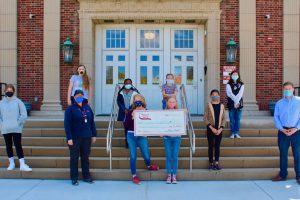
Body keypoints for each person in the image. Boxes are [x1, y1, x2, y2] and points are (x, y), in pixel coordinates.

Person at [124, 94, 159, 185]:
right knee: (133, 156)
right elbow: (125, 126)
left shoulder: (147, 111)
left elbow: (152, 124)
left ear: (143, 101)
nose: (138, 101)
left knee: (146, 155)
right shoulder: (130, 111)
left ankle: (149, 165)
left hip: (142, 136)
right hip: (131, 135)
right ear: (134, 102)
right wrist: (132, 117)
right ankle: (134, 176)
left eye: (140, 100)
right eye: (136, 100)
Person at [64, 89, 97, 186]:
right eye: (77, 95)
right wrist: (69, 138)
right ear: (74, 97)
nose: (79, 97)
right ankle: (74, 178)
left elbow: (92, 122)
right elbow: (67, 124)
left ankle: (86, 176)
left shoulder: (87, 107)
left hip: (86, 137)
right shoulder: (70, 109)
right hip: (75, 137)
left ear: (83, 97)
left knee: (85, 157)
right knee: (74, 158)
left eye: (81, 95)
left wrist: (94, 134)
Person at [272, 81, 300, 185]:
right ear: (283, 90)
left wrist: (296, 128)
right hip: (283, 131)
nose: (287, 91)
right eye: (286, 89)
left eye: (289, 89)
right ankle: (283, 175)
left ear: (293, 89)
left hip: (296, 132)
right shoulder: (279, 103)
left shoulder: (299, 101)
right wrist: (282, 129)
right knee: (283, 154)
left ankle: (299, 176)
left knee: (298, 154)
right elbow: (276, 117)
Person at [0, 84, 32, 171]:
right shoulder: (1, 103)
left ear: (13, 91)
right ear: (5, 92)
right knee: (8, 146)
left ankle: (22, 164)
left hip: (16, 128)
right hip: (6, 128)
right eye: (7, 91)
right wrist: (2, 125)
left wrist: (18, 123)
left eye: (11, 91)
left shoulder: (18, 102)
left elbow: (24, 114)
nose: (9, 92)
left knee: (18, 145)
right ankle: (11, 163)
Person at [204, 89, 226, 171]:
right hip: (210, 129)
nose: (215, 96)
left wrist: (221, 128)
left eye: (216, 94)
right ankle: (210, 163)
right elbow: (205, 118)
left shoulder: (222, 106)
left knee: (217, 146)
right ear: (210, 96)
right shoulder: (208, 105)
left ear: (219, 96)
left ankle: (216, 163)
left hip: (219, 129)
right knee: (210, 146)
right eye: (213, 94)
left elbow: (224, 119)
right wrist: (211, 127)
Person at [163, 97, 181, 184]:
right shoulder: (164, 113)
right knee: (168, 156)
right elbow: (161, 123)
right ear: (167, 103)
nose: (171, 103)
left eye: (173, 102)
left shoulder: (180, 113)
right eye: (170, 102)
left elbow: (183, 123)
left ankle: (174, 175)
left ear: (176, 103)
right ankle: (169, 175)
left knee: (175, 156)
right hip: (167, 137)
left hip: (177, 137)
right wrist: (160, 132)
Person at [117, 78, 139, 148]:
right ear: (124, 84)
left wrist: (130, 109)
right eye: (126, 83)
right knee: (126, 128)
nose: (128, 84)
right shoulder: (120, 92)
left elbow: (137, 101)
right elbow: (119, 102)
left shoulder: (135, 92)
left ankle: (132, 142)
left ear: (131, 84)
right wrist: (124, 109)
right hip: (123, 113)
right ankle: (127, 142)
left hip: (131, 112)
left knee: (131, 128)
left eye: (129, 83)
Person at [226, 71, 244, 139]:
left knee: (238, 119)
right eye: (233, 74)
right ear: (231, 76)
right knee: (232, 119)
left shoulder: (241, 84)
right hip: (231, 103)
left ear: (238, 75)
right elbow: (229, 94)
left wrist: (237, 102)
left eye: (236, 74)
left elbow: (240, 94)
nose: (235, 75)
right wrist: (235, 102)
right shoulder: (228, 84)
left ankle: (237, 133)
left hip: (239, 104)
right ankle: (232, 133)